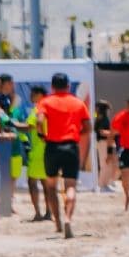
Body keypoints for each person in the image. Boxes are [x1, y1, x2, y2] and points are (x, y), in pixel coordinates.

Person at [38, 72, 92, 239]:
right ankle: (68, 218)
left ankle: (58, 223)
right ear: (68, 86)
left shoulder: (45, 102)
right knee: (70, 186)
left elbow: (39, 122)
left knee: (51, 187)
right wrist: (77, 133)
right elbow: (88, 127)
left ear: (52, 87)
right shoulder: (78, 103)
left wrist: (42, 135)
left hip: (52, 146)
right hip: (71, 146)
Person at [20, 84, 49, 219]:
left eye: (33, 94)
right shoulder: (50, 107)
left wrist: (11, 123)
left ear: (39, 95)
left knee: (32, 182)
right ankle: (49, 212)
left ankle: (38, 213)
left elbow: (28, 126)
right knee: (46, 182)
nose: (30, 96)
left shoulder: (38, 108)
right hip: (49, 149)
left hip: (38, 150)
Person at [93, 100, 117, 193]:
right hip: (103, 142)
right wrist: (114, 133)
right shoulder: (102, 119)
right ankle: (102, 185)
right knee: (105, 164)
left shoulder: (100, 117)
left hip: (106, 142)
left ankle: (107, 183)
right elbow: (102, 132)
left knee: (110, 164)